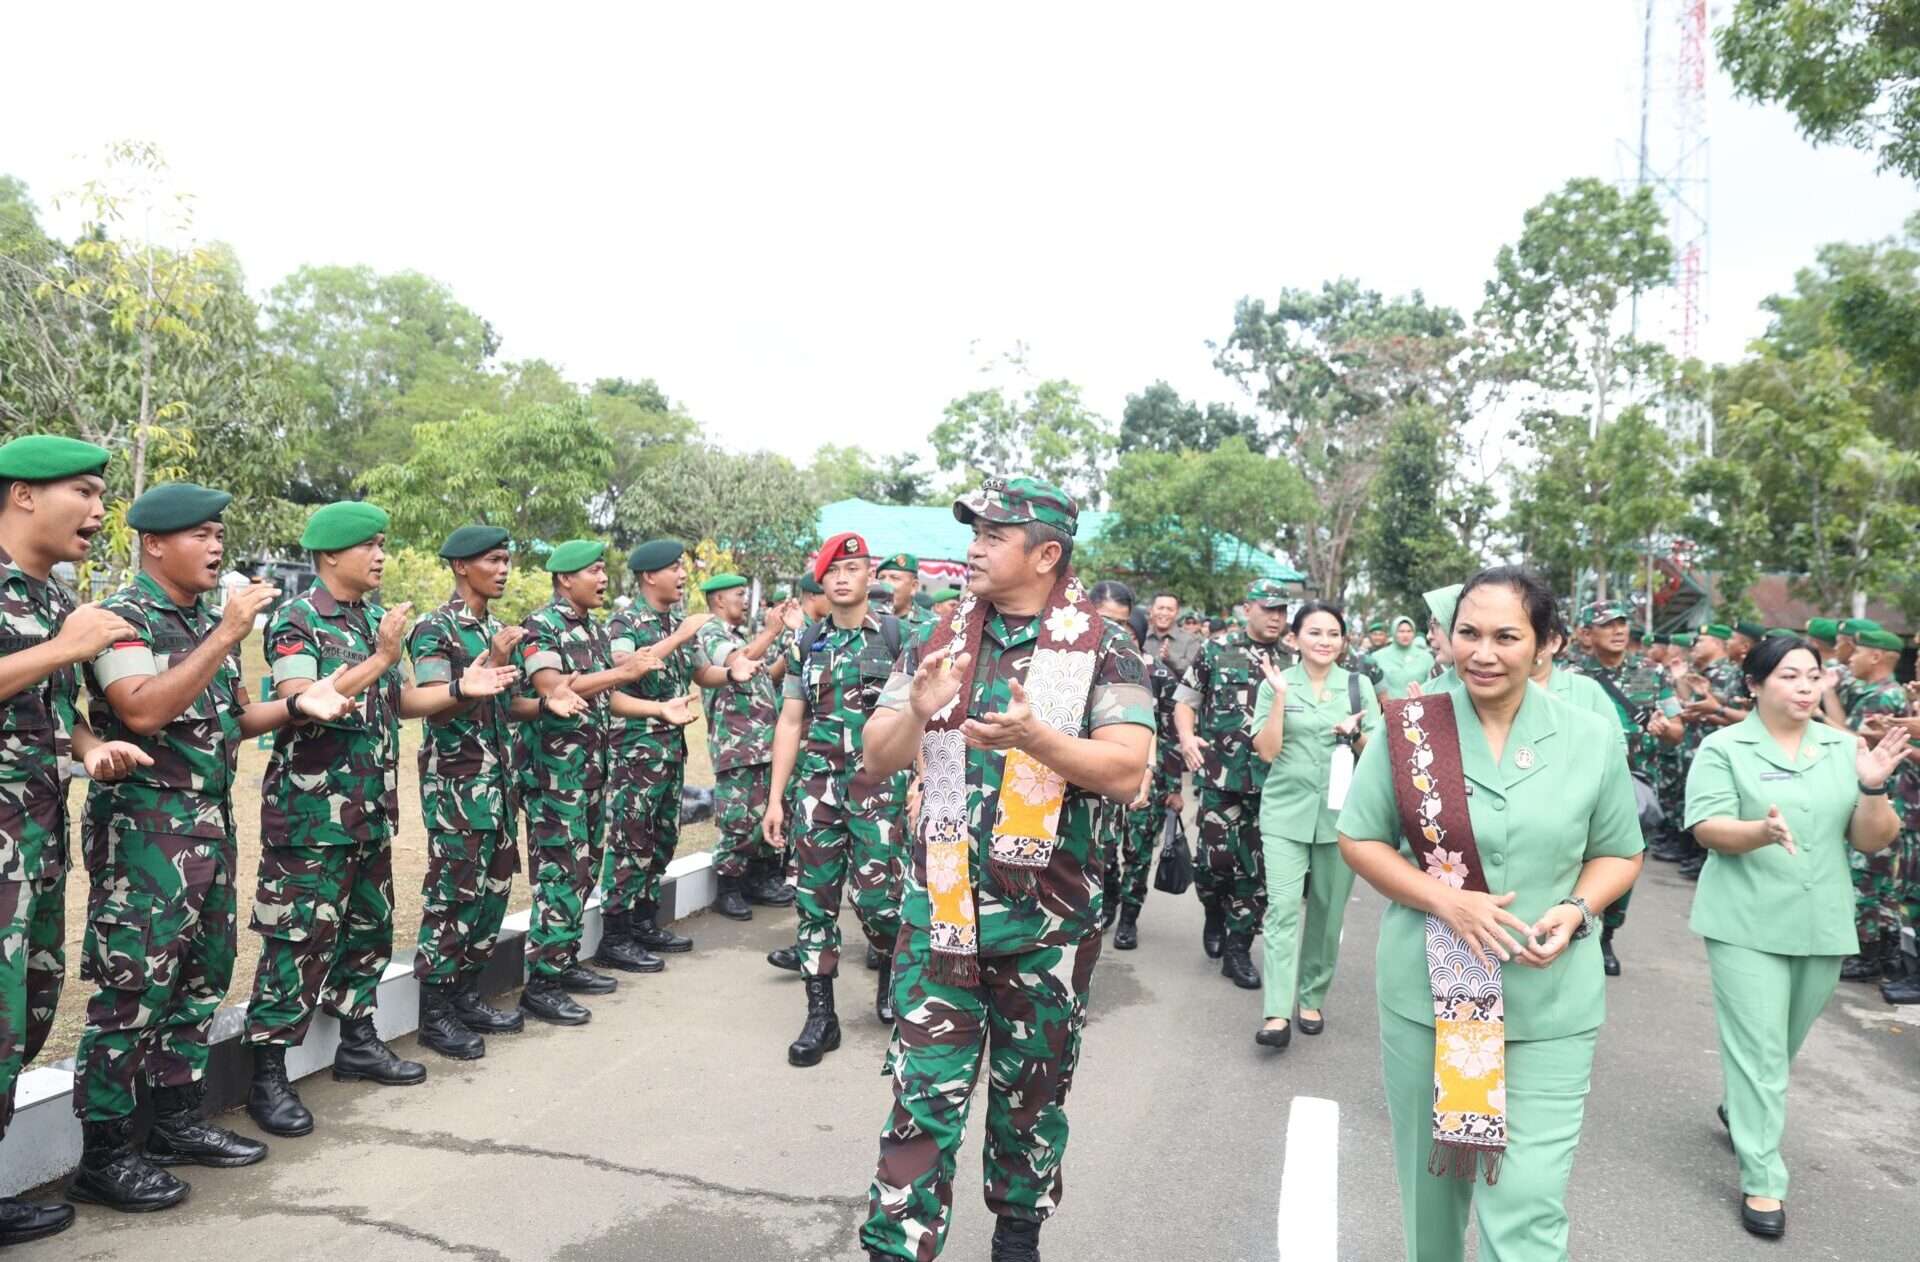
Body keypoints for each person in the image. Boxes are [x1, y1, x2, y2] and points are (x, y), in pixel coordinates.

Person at [856, 476, 1151, 1262]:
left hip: (1044, 930)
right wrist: (916, 711)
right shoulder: (941, 635)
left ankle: (1017, 1237)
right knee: (921, 1103)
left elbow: (1127, 771)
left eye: (994, 535)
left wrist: (1034, 737)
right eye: (974, 532)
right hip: (941, 915)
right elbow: (877, 755)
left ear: (1046, 554)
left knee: (1032, 1102)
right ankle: (897, 1247)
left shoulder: (1105, 647)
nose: (974, 547)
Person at [1337, 566, 1643, 1262]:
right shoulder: (1410, 730)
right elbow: (1359, 838)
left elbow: (1620, 852)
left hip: (1550, 1005)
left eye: (1507, 635)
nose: (1483, 651)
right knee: (1434, 1194)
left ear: (1545, 646)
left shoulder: (1590, 736)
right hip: (1432, 1000)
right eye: (1468, 633)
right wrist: (1445, 898)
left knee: (1528, 1205)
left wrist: (1576, 908)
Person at [68, 484, 359, 1209]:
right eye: (200, 533)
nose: (217, 545)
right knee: (132, 989)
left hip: (207, 821)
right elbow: (140, 709)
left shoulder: (202, 617)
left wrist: (296, 704)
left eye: (219, 533)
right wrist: (227, 634)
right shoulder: (123, 619)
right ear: (155, 544)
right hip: (144, 828)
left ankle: (174, 1122)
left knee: (201, 977)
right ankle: (104, 1153)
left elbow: (226, 721)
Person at [1684, 635, 1906, 1239]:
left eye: (1813, 677)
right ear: (1754, 684)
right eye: (1789, 676)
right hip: (1744, 920)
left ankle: (1743, 1109)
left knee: (1780, 1046)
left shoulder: (1844, 746)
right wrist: (1758, 831)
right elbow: (1706, 827)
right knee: (1759, 1052)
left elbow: (1871, 838)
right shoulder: (1724, 746)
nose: (1806, 688)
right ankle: (1763, 1180)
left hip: (1821, 920)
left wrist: (1872, 787)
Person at [0, 438, 164, 1239]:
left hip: (35, 838)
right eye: (86, 492)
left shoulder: (48, 597)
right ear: (24, 495)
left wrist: (89, 748)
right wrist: (70, 646)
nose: (101, 512)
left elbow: (51, 712)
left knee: (26, 1011)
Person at [239, 501, 428, 1138]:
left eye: (382, 544)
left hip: (370, 812)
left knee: (368, 933)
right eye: (368, 545)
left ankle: (357, 1040)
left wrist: (463, 688)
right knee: (296, 943)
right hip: (310, 819)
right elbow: (304, 703)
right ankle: (268, 1073)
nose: (380, 556)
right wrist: (377, 658)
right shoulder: (297, 619)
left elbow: (397, 701)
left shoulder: (375, 618)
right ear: (330, 556)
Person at [763, 531, 908, 1064]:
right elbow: (790, 720)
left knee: (878, 903)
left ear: (871, 576)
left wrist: (919, 784)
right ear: (821, 583)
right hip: (818, 792)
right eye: (833, 573)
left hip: (881, 791)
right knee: (813, 904)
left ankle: (891, 969)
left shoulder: (898, 638)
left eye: (854, 569)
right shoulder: (807, 644)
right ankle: (821, 1017)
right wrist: (775, 799)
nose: (843, 579)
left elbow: (927, 719)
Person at [513, 540, 663, 1023]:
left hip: (590, 772)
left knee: (583, 869)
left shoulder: (592, 630)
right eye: (594, 571)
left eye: (603, 571)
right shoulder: (541, 627)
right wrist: (621, 672)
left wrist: (653, 703)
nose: (603, 579)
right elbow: (552, 688)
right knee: (559, 871)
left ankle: (564, 960)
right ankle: (542, 983)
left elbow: (603, 696)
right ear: (564, 579)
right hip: (554, 776)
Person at [404, 526, 530, 1060]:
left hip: (499, 786)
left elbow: (511, 704)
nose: (503, 569)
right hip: (458, 787)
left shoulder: (498, 628)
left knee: (492, 895)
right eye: (492, 560)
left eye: (506, 560)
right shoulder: (436, 629)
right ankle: (435, 1012)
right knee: (453, 897)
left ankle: (466, 995)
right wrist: (476, 673)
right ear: (461, 567)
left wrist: (554, 699)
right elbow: (433, 701)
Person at [1248, 600, 1381, 1049]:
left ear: (1344, 641)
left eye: (1332, 634)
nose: (1324, 641)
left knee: (1327, 912)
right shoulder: (1277, 683)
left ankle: (1311, 996)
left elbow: (1377, 754)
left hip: (1344, 817)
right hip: (1285, 812)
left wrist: (1353, 734)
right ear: (1295, 638)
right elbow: (1266, 751)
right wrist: (1280, 698)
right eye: (1314, 632)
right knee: (1283, 909)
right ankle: (1275, 1012)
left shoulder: (1359, 686)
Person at [1175, 578, 1294, 984]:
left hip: (1274, 782)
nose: (1276, 616)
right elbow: (1185, 702)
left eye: (1282, 609)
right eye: (1269, 608)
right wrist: (1188, 737)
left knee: (1257, 871)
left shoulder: (1295, 661)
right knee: (1212, 865)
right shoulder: (1215, 651)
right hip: (1221, 776)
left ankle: (1238, 949)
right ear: (1248, 608)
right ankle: (1213, 912)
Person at [601, 541, 706, 966]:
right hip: (634, 754)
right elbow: (627, 666)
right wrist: (678, 637)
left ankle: (644, 923)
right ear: (649, 576)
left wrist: (735, 670)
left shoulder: (677, 621)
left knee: (661, 838)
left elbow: (703, 672)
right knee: (631, 841)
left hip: (670, 751)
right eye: (674, 568)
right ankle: (615, 936)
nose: (682, 575)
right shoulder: (626, 621)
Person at [1576, 599, 1682, 976]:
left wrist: (1666, 730)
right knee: (1576, 858)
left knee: (1623, 860)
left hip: (1633, 785)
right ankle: (1578, 923)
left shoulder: (1649, 674)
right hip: (1580, 781)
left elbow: (1677, 728)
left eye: (1622, 623)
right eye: (1608, 625)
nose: (1620, 630)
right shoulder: (1571, 675)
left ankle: (1608, 933)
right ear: (1585, 634)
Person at [690, 573, 798, 920]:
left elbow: (769, 671)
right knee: (738, 818)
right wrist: (770, 632)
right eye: (739, 594)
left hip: (763, 743)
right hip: (737, 746)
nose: (745, 600)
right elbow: (736, 663)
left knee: (764, 814)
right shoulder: (710, 632)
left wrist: (790, 637)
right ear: (719, 600)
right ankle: (729, 886)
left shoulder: (739, 636)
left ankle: (759, 878)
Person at [1832, 627, 1910, 982]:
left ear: (1876, 656)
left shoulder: (1883, 696)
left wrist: (1822, 724)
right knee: (1879, 879)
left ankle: (1870, 954)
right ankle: (1880, 952)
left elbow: (1857, 746)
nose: (1850, 657)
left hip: (1881, 797)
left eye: (1858, 651)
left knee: (1870, 877)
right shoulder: (1884, 694)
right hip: (1884, 799)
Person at [1088, 582, 1156, 941]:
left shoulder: (1141, 665)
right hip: (1092, 777)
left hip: (1140, 770)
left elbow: (1153, 726)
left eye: (1124, 623)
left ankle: (1129, 917)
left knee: (1139, 850)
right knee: (1104, 849)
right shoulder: (1069, 660)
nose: (1116, 630)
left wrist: (1150, 770)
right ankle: (1107, 900)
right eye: (1106, 620)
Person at [1370, 616, 1435, 700]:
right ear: (1393, 632)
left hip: (1420, 707)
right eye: (1401, 631)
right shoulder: (1377, 657)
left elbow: (1433, 684)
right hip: (1390, 708)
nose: (1405, 635)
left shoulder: (1426, 657)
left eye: (1409, 631)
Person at [1142, 591, 1199, 674]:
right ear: (1151, 610)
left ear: (1177, 612)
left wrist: (1169, 659)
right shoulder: (1140, 636)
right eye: (1160, 608)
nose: (1164, 613)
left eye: (1170, 609)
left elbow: (1193, 672)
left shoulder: (1191, 641)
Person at [877, 553, 935, 634]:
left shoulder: (933, 625)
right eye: (881, 578)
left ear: (913, 587)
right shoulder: (867, 619)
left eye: (894, 578)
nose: (885, 584)